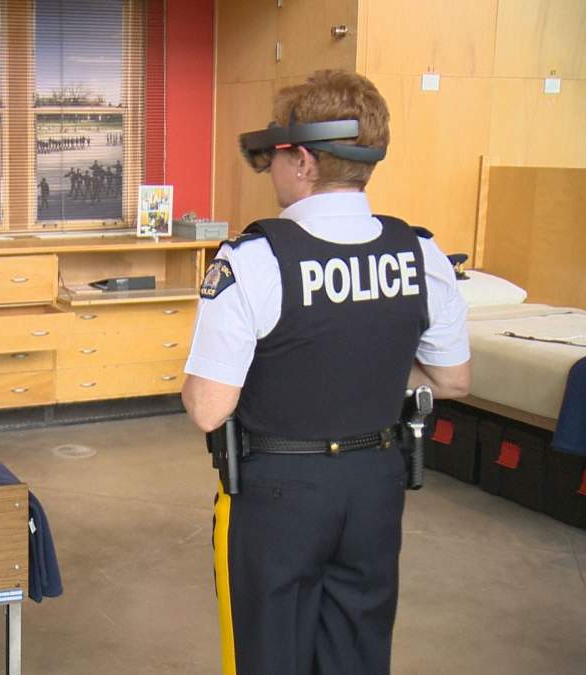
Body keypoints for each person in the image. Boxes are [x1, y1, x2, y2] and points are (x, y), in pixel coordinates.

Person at [180, 70, 470, 675]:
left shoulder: (254, 260)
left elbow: (209, 408)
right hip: (376, 485)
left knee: (268, 654)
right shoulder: (421, 254)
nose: (273, 171)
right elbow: (452, 380)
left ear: (304, 160)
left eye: (277, 156)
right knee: (357, 652)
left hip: (278, 492)